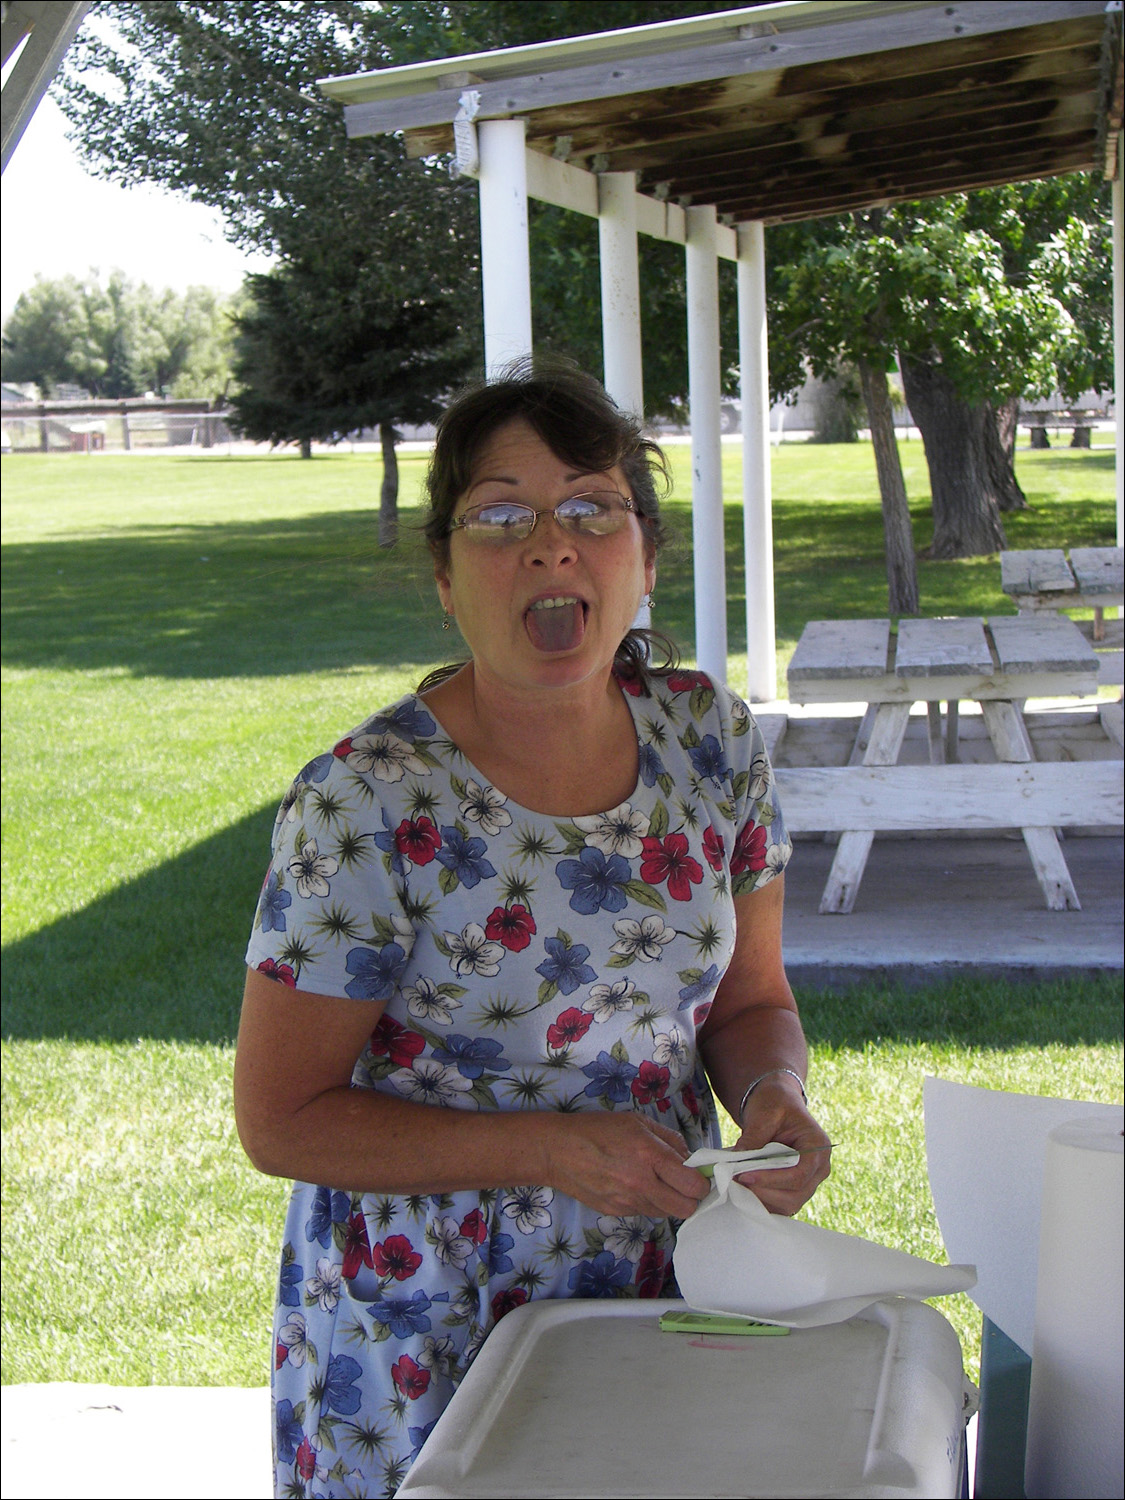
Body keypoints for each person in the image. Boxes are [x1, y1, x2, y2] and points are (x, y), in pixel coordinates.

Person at [234, 357, 830, 1498]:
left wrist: (774, 1098)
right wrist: (552, 1150)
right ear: (449, 583)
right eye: (500, 514)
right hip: (426, 1325)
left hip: (659, 1274)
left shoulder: (712, 741)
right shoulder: (367, 800)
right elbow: (282, 1120)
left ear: (644, 559)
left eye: (591, 508)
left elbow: (752, 1003)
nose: (550, 543)